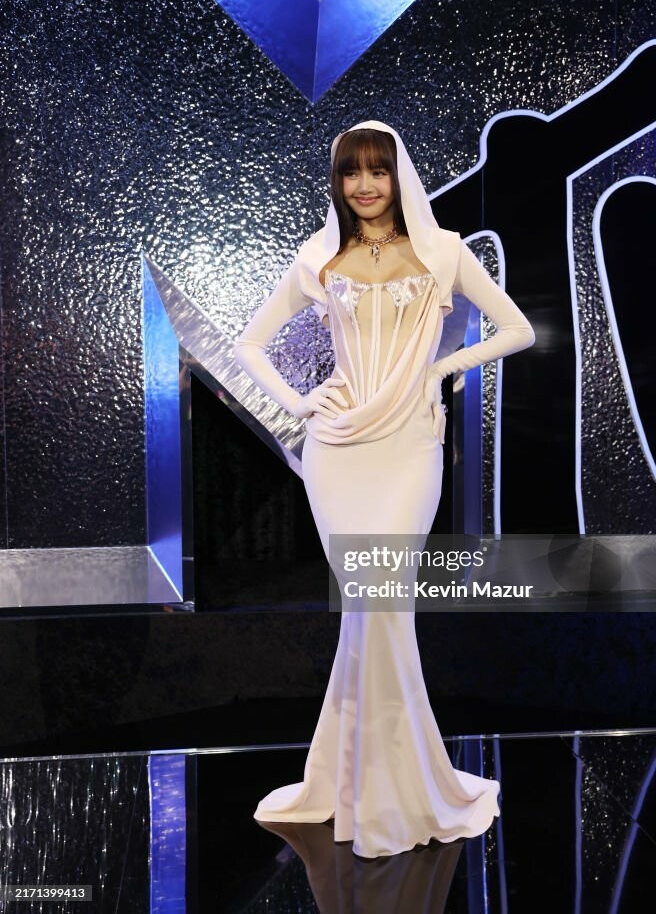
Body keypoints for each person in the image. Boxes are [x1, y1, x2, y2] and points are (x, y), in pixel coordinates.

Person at [232, 120, 536, 859]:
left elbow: (517, 329)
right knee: (366, 615)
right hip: (336, 451)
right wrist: (301, 402)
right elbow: (249, 344)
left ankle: (389, 792)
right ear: (337, 182)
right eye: (350, 172)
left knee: (380, 607)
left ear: (399, 175)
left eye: (377, 170)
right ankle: (370, 788)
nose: (364, 185)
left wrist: (439, 370)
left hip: (408, 449)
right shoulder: (319, 255)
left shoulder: (443, 250)